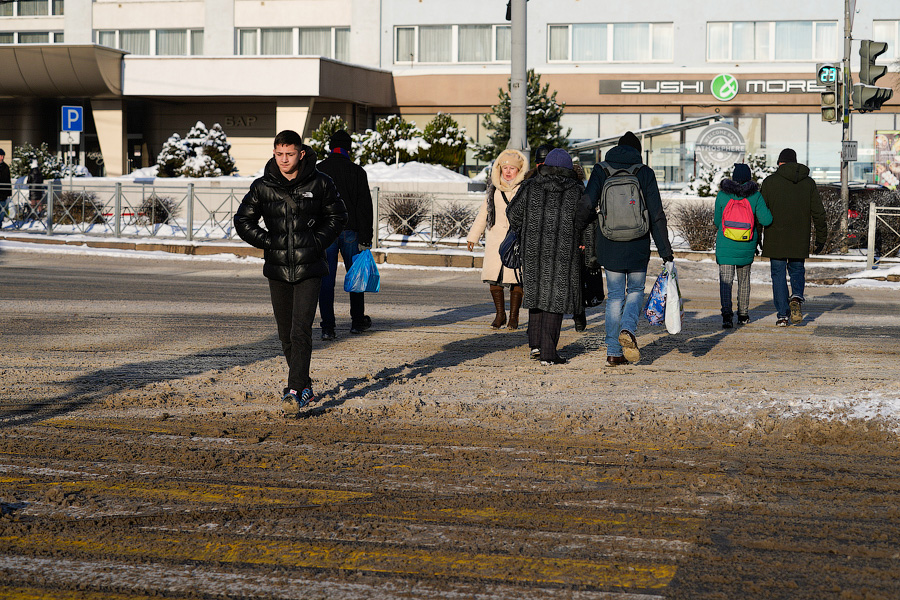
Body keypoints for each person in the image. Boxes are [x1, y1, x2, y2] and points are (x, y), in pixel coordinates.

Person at [234, 130, 347, 415]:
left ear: (301, 153)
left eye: (290, 154)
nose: (284, 160)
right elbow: (242, 220)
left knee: (301, 331)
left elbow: (338, 216)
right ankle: (305, 384)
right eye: (279, 154)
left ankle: (295, 389)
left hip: (310, 268)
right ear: (274, 153)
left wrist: (316, 241)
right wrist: (269, 242)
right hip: (278, 270)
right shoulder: (263, 186)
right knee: (285, 334)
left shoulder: (321, 182)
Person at [584, 131, 674, 367]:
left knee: (615, 296)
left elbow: (586, 204)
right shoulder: (643, 172)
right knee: (635, 291)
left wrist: (578, 232)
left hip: (610, 242)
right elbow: (656, 214)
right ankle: (627, 329)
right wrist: (665, 251)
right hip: (637, 244)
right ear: (637, 151)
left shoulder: (601, 170)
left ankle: (613, 352)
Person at [507, 148, 590, 365]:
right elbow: (587, 222)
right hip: (565, 252)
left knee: (536, 295)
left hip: (533, 251)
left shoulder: (530, 186)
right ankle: (548, 353)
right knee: (556, 299)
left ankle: (535, 346)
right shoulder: (576, 190)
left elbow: (513, 214)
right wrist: (588, 250)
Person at [315, 130, 374, 340]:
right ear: (349, 148)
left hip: (327, 232)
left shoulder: (319, 169)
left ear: (331, 147)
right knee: (356, 277)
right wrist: (367, 238)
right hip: (351, 231)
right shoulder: (357, 171)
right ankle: (357, 322)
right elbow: (364, 206)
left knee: (326, 281)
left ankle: (327, 327)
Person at [760, 148, 827, 327]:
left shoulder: (770, 182)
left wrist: (757, 236)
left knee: (778, 275)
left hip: (775, 238)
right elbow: (819, 213)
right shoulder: (808, 183)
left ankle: (782, 315)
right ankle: (796, 296)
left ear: (780, 163)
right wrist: (821, 238)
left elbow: (760, 211)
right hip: (800, 238)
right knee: (797, 270)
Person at [466, 148, 526, 330]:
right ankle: (500, 314)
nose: (508, 171)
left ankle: (514, 317)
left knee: (516, 278)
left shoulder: (524, 189)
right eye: (505, 167)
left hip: (517, 240)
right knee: (494, 280)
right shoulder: (493, 189)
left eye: (512, 168)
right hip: (495, 240)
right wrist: (473, 237)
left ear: (519, 171)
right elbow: (483, 213)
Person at [714, 163, 773, 328]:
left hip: (726, 245)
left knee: (726, 282)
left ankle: (727, 316)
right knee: (744, 280)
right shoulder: (755, 196)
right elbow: (766, 220)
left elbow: (717, 221)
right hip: (746, 245)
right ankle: (743, 315)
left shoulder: (722, 195)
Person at [0, 149, 10, 228]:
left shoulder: (6, 167)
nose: (2, 157)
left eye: (3, 156)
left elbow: (8, 180)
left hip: (3, 193)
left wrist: (9, 192)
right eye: (0, 156)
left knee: (2, 211)